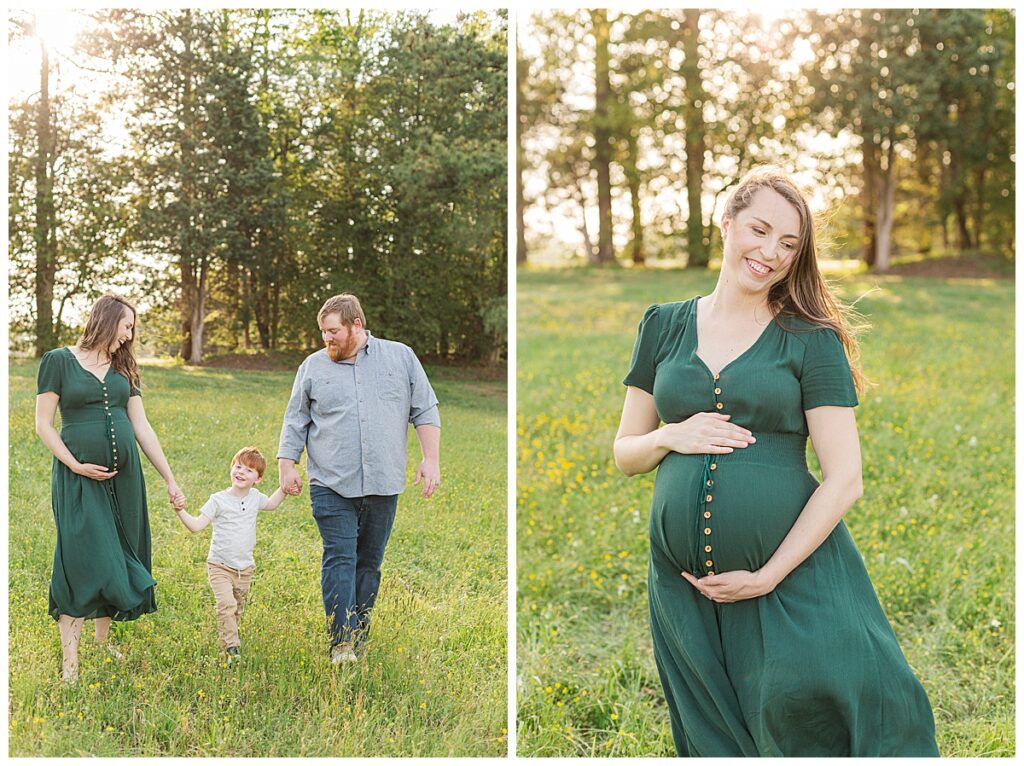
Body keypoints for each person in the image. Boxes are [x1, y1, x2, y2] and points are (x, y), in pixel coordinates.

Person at [613, 167, 939, 756]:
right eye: (759, 230)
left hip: (790, 568)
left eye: (788, 244)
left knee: (832, 694)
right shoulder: (662, 325)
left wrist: (767, 575)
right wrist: (672, 436)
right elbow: (625, 453)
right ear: (726, 221)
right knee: (715, 726)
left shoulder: (811, 338)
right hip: (682, 584)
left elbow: (846, 479)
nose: (770, 252)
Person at [277, 293, 441, 664]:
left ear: (356, 326)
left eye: (333, 331)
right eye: (322, 333)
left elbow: (425, 408)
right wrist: (288, 465)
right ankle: (341, 642)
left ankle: (360, 632)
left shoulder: (400, 357)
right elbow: (295, 419)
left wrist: (431, 459)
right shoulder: (313, 367)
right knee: (340, 557)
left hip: (384, 482)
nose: (327, 339)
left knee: (369, 561)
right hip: (330, 482)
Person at [35, 294, 186, 683]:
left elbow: (141, 426)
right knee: (80, 556)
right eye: (127, 325)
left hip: (125, 479)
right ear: (108, 320)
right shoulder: (58, 361)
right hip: (77, 478)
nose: (130, 334)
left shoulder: (125, 367)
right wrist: (75, 464)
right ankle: (70, 665)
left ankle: (102, 645)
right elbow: (44, 425)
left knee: (118, 552)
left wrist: (169, 478)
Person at [173, 446, 288, 665]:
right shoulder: (218, 500)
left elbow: (272, 505)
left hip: (245, 568)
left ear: (258, 479)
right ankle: (232, 649)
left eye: (249, 470)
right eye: (238, 466)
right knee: (226, 605)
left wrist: (285, 488)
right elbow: (196, 526)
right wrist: (180, 511)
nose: (241, 472)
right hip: (220, 565)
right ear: (231, 469)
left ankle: (227, 639)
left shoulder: (255, 497)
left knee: (236, 610)